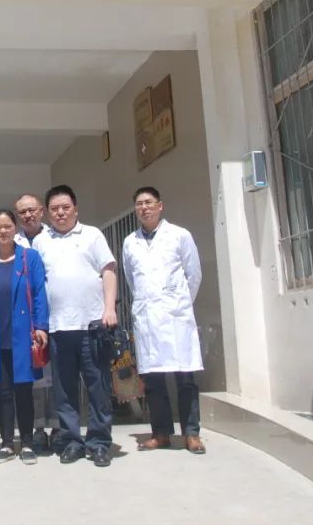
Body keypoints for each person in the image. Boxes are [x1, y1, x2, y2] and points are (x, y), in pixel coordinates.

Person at [33, 184, 117, 468]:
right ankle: (71, 441)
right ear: (48, 213)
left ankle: (99, 443)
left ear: (76, 209)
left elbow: (108, 271)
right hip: (57, 328)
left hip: (92, 325)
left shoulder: (92, 235)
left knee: (98, 387)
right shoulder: (40, 242)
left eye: (65, 207)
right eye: (54, 209)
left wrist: (109, 308)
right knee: (64, 390)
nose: (60, 213)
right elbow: (38, 284)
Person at [120, 186, 205, 455]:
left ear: (160, 206)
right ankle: (161, 433)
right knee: (154, 381)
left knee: (185, 378)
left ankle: (191, 433)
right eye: (139, 204)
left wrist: (179, 303)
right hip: (148, 318)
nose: (144, 207)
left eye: (149, 202)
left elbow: (194, 275)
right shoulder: (130, 242)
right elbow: (132, 280)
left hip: (176, 316)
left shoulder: (179, 235)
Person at [0, 209, 49, 465]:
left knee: (24, 390)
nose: (3, 231)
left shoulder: (29, 258)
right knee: (2, 392)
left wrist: (41, 326)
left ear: (15, 228)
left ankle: (27, 443)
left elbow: (40, 293)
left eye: (7, 226)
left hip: (23, 334)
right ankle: (7, 444)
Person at [13, 193, 56, 453]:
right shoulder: (14, 242)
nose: (28, 215)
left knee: (58, 377)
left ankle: (60, 428)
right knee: (35, 379)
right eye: (22, 212)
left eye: (32, 210)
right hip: (28, 321)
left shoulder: (55, 237)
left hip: (57, 318)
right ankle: (38, 430)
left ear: (41, 211)